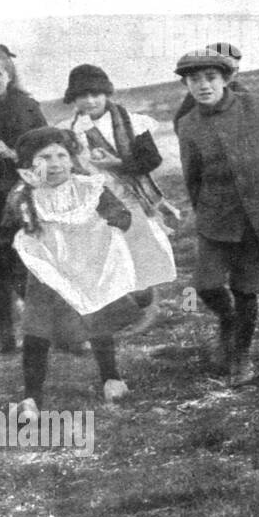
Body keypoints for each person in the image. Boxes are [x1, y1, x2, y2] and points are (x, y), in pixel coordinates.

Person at [177, 47, 259, 386]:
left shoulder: (255, 104)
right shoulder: (187, 124)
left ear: (226, 78)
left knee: (246, 290)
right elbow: (192, 175)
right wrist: (202, 210)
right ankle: (228, 319)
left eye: (210, 78)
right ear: (186, 84)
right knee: (206, 286)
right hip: (215, 217)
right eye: (194, 80)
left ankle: (241, 357)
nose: (203, 86)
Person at [1, 128, 144, 420]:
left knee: (97, 318)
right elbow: (7, 232)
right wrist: (24, 251)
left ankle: (111, 378)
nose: (55, 164)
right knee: (36, 331)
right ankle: (31, 398)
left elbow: (121, 217)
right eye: (44, 157)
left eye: (61, 155)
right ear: (29, 163)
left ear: (71, 159)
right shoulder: (23, 195)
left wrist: (109, 226)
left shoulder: (88, 188)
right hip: (46, 273)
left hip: (87, 267)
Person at [58, 64, 177, 332]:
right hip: (96, 203)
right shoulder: (68, 130)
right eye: (82, 96)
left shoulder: (132, 122)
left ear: (107, 94)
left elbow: (151, 160)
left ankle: (146, 307)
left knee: (139, 253)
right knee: (108, 256)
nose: (90, 101)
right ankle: (120, 311)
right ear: (73, 99)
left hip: (130, 195)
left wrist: (119, 162)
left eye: (96, 94)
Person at [0, 44, 47, 355]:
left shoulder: (26, 107)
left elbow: (47, 152)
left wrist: (12, 153)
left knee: (28, 263)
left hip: (21, 196)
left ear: (9, 75)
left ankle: (46, 329)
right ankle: (6, 335)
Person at [173, 42, 246, 130]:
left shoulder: (238, 89)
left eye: (236, 68)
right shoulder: (201, 93)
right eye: (229, 66)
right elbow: (179, 122)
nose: (233, 72)